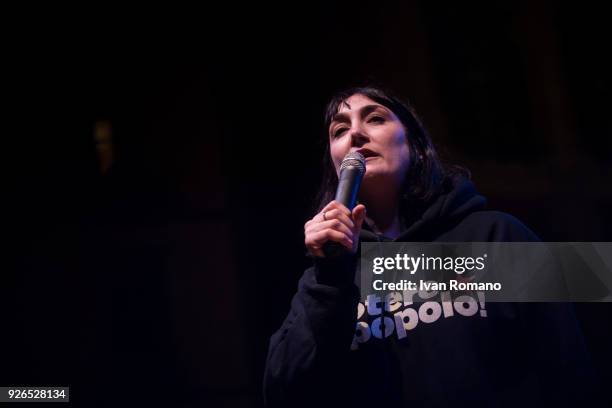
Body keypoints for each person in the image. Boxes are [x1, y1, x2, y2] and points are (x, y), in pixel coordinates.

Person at [263, 87, 596, 407]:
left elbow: (570, 368)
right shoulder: (326, 277)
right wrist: (331, 280)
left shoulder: (493, 236)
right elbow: (285, 392)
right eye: (339, 130)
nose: (355, 135)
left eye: (375, 118)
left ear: (415, 145)